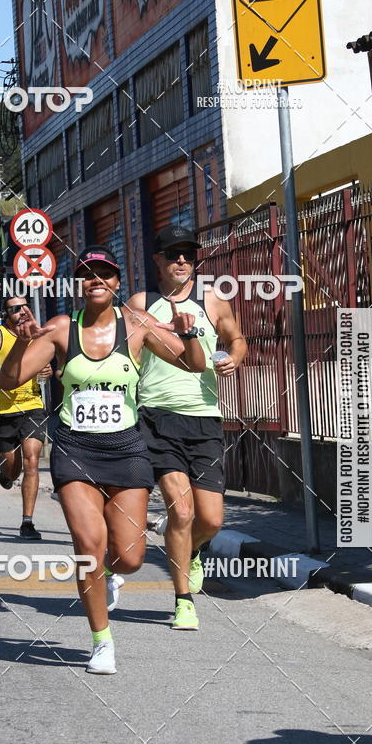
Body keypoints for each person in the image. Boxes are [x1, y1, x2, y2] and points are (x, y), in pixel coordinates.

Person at [0, 245, 206, 674]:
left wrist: (188, 333)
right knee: (89, 547)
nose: (96, 279)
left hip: (127, 449)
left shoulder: (137, 326)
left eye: (105, 274)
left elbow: (194, 365)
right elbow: (9, 380)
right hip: (76, 449)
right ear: (80, 283)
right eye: (88, 273)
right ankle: (101, 642)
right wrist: (21, 343)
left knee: (129, 557)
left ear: (116, 283)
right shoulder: (59, 329)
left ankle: (112, 575)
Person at [126, 225, 247, 630]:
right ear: (158, 259)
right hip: (156, 416)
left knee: (210, 520)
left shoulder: (212, 299)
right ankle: (183, 600)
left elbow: (237, 338)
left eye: (189, 255)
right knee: (180, 509)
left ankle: (191, 551)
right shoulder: (141, 304)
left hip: (204, 417)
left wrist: (234, 357)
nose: (182, 261)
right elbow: (124, 355)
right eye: (174, 254)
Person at [0, 294, 52, 540]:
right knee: (12, 468)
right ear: (5, 314)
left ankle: (27, 522)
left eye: (25, 306)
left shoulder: (39, 335)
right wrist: (4, 378)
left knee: (31, 461)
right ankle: (5, 471)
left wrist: (47, 370)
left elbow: (50, 366)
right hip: (4, 410)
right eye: (14, 309)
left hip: (33, 407)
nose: (21, 311)